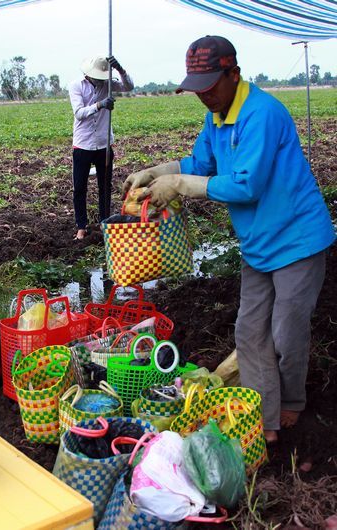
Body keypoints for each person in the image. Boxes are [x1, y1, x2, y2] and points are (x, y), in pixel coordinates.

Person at [122, 35, 335, 443]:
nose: (203, 96)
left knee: (287, 333)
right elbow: (201, 162)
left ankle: (291, 401)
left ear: (233, 74)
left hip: (297, 240)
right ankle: (263, 419)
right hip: (257, 245)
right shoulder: (216, 117)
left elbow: (246, 186)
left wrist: (181, 183)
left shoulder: (262, 114)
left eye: (209, 86)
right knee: (250, 332)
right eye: (196, 89)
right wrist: (155, 171)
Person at [69, 55, 134, 240]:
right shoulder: (76, 86)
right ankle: (81, 227)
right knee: (79, 187)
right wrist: (99, 105)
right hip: (83, 144)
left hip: (104, 144)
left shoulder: (109, 84)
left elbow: (129, 87)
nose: (100, 80)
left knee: (104, 186)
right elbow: (79, 113)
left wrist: (121, 70)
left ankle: (104, 224)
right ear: (89, 74)